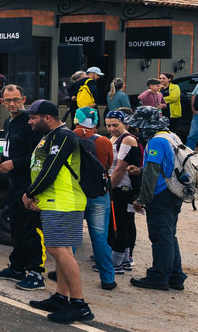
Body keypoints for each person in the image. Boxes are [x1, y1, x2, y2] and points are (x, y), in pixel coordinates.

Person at [20, 100, 94, 323]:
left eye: (33, 118)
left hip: (63, 201)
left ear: (48, 118)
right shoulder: (51, 135)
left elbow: (50, 170)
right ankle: (62, 297)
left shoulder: (63, 136)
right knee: (63, 249)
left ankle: (79, 304)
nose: (30, 121)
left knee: (57, 248)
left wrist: (30, 193)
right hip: (55, 200)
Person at [0, 85, 49, 289]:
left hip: (29, 183)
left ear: (24, 98)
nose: (12, 104)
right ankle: (17, 268)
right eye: (8, 100)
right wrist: (0, 159)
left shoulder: (30, 122)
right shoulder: (8, 121)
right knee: (16, 226)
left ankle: (36, 273)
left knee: (31, 229)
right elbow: (11, 149)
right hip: (13, 183)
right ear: (2, 101)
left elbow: (38, 155)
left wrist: (14, 163)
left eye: (16, 99)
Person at [128, 106, 189, 292]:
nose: (138, 131)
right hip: (174, 192)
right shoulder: (171, 136)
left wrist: (142, 198)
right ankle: (175, 277)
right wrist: (141, 170)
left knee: (160, 236)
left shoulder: (155, 142)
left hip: (161, 194)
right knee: (169, 235)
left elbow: (153, 173)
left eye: (139, 127)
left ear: (146, 126)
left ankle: (159, 276)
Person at [71, 108, 118, 291]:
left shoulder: (68, 137)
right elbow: (108, 164)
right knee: (99, 238)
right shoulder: (105, 141)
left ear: (76, 119)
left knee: (72, 237)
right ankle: (107, 278)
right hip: (99, 194)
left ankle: (63, 273)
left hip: (75, 193)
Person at [105, 108, 142, 275]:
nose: (112, 128)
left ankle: (116, 263)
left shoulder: (127, 140)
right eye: (108, 125)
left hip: (121, 187)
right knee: (123, 223)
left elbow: (120, 168)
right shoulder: (115, 138)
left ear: (124, 124)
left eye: (115, 125)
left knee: (119, 225)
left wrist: (107, 189)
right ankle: (125, 260)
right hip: (117, 186)